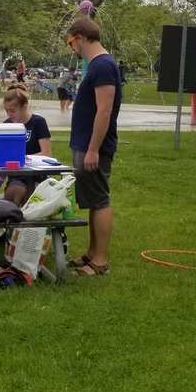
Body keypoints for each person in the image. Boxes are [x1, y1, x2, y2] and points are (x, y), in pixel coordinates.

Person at [66, 17, 121, 277]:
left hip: (94, 146)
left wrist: (92, 149)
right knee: (92, 199)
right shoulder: (96, 65)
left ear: (79, 37)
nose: (72, 49)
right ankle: (91, 253)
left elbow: (105, 111)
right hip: (85, 143)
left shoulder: (103, 66)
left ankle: (100, 262)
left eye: (70, 43)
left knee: (99, 200)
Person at [0, 84, 52, 206]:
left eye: (12, 111)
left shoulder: (38, 122)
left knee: (15, 195)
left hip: (36, 175)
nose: (9, 114)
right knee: (11, 194)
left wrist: (23, 158)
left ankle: (14, 221)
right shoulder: (7, 124)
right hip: (16, 176)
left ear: (24, 107)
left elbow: (46, 154)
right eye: (6, 110)